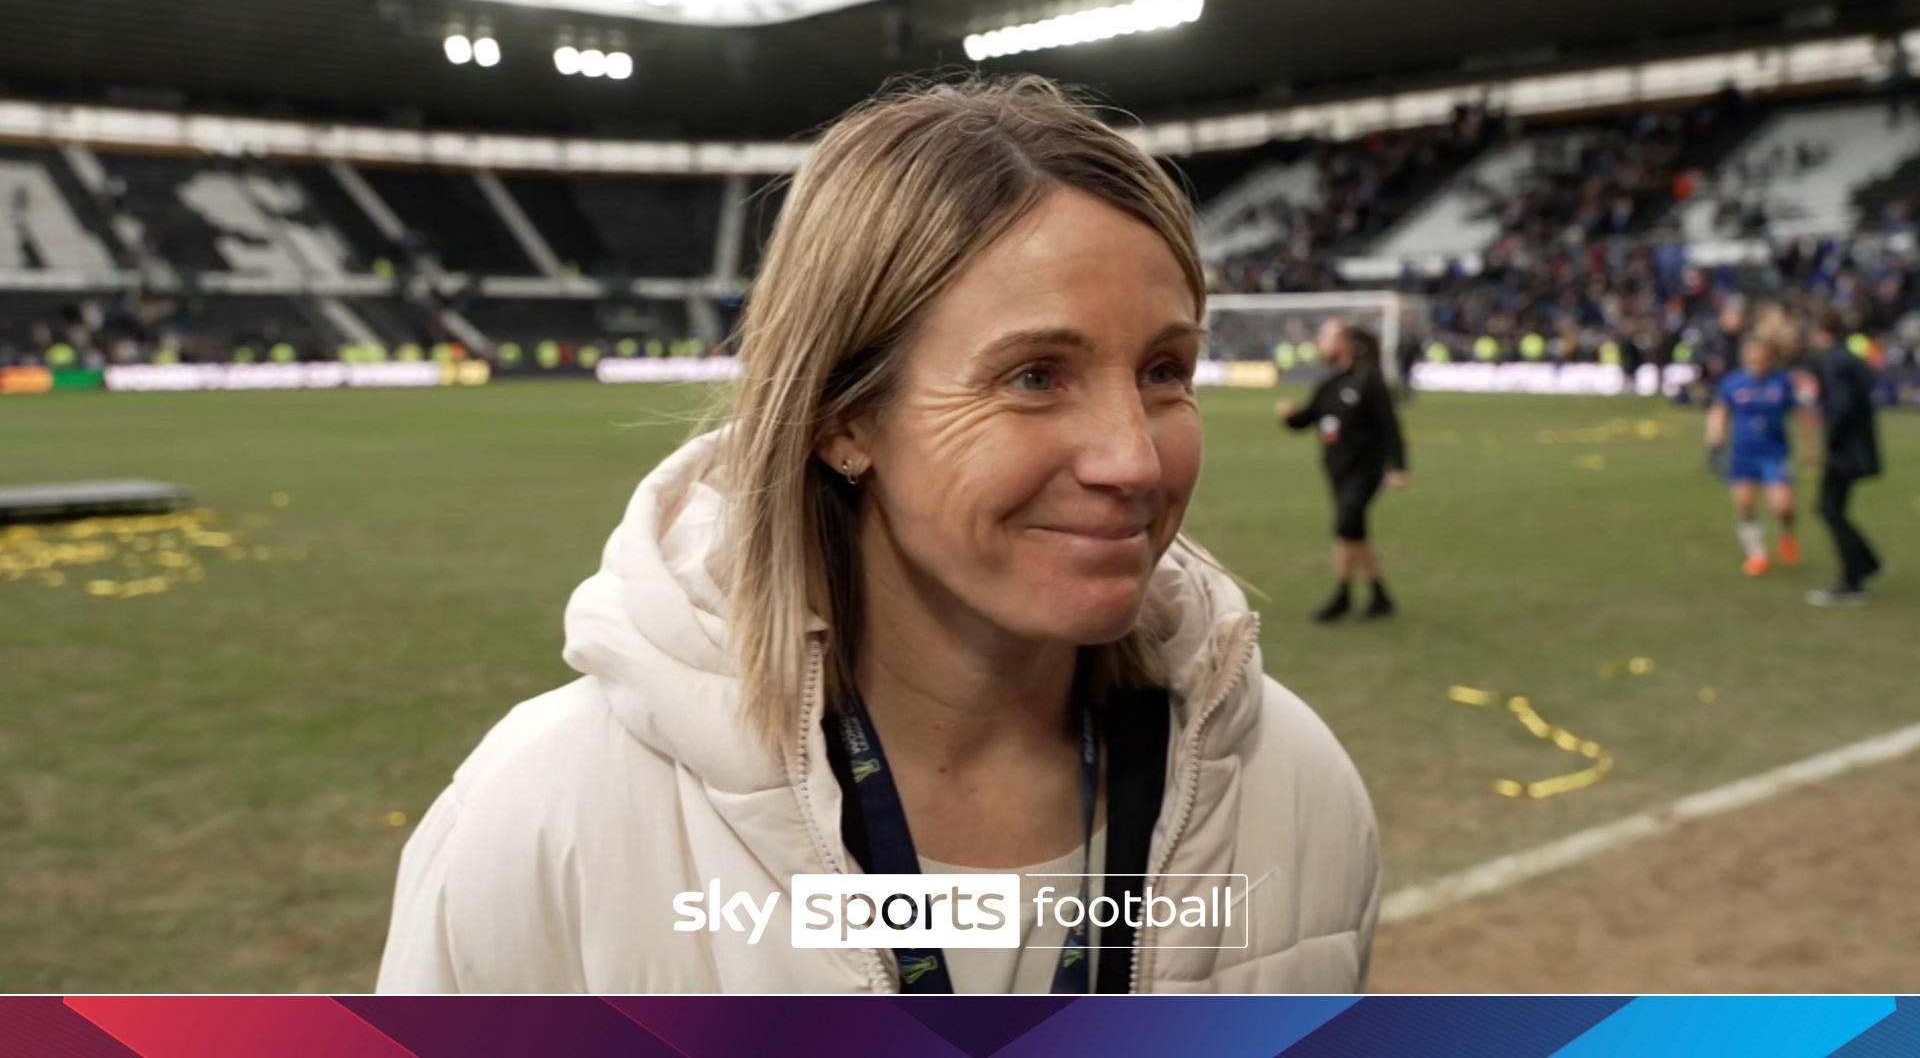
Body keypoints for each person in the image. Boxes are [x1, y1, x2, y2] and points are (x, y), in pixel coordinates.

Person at [376, 77, 1379, 994]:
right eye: (1034, 376)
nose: (1135, 460)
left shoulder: (1292, 786)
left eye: (1165, 371)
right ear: (842, 419)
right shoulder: (549, 817)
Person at [1278, 319, 1410, 622]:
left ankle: (1342, 595)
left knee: (1345, 523)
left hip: (1366, 470)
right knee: (1355, 531)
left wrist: (1399, 467)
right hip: (1336, 470)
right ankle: (1380, 595)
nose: (1320, 342)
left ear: (1345, 344)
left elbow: (1390, 427)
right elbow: (1307, 419)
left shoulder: (1369, 381)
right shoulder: (1328, 384)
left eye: (1326, 336)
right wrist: (1288, 416)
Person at [1703, 312, 1807, 577]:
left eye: (1759, 355)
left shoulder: (1781, 381)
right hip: (1743, 454)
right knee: (1745, 503)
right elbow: (1719, 412)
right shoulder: (1734, 382)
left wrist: (1809, 446)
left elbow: (1799, 414)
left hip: (1774, 453)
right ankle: (1757, 555)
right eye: (1750, 355)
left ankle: (1786, 534)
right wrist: (1715, 442)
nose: (1755, 360)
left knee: (1783, 505)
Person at [1804, 308, 1885, 606]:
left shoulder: (1832, 362)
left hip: (1844, 451)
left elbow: (1840, 406)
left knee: (1830, 509)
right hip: (1859, 446)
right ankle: (1868, 562)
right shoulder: (1850, 357)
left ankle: (1854, 579)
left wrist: (1831, 444)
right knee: (1833, 509)